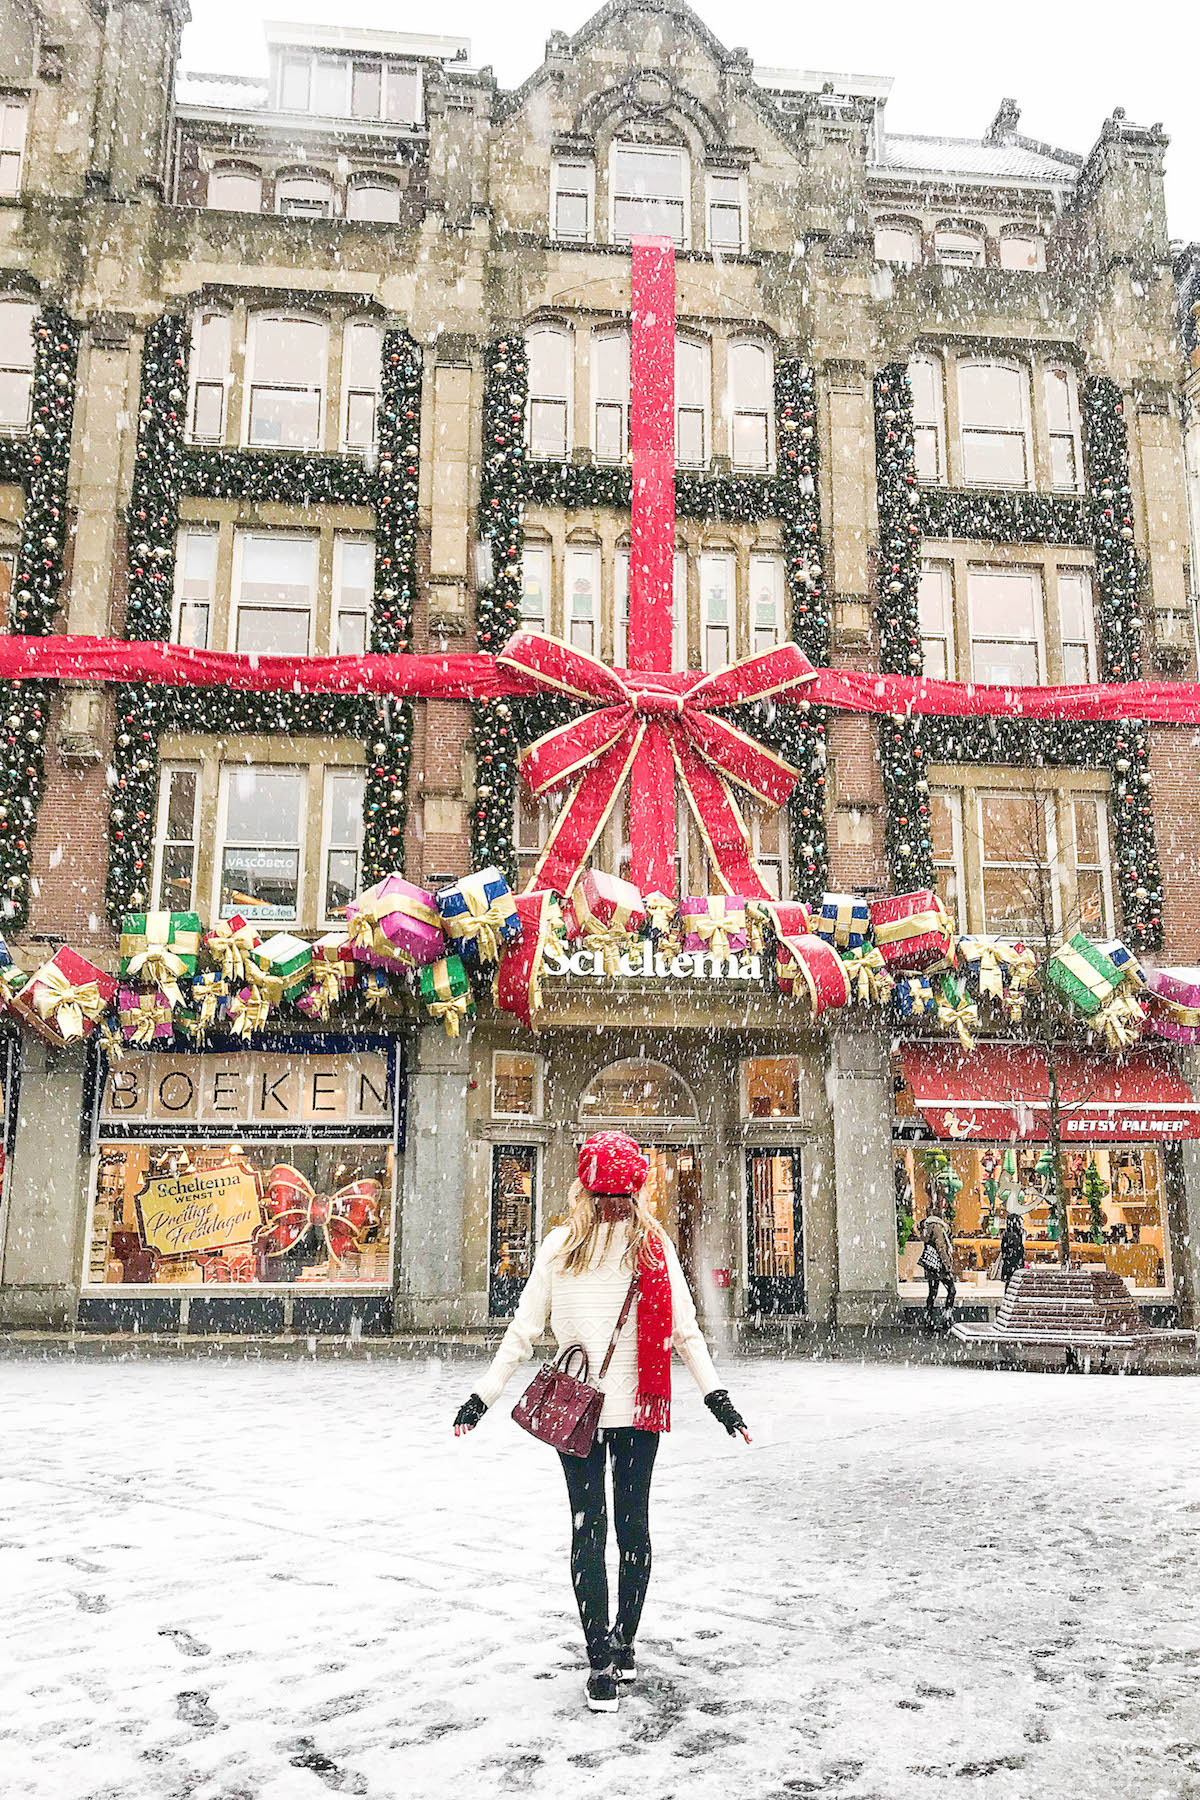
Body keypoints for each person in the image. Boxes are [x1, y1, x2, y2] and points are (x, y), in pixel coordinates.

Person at [453, 1129, 750, 1713]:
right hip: (601, 1414)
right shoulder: (584, 1248)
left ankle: (616, 1648)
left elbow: (683, 1332)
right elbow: (526, 1330)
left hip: (615, 1412)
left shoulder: (623, 1246)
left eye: (622, 1197)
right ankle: (605, 1656)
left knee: (613, 1530)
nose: (616, 1207)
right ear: (594, 1194)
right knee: (608, 1531)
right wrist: (481, 1396)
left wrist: (719, 1400)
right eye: (609, 1197)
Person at [919, 1206, 956, 1330]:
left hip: (931, 1265)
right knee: (952, 1290)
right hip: (939, 1266)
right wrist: (948, 1267)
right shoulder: (938, 1227)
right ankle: (947, 1317)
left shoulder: (927, 1227)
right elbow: (941, 1247)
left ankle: (928, 1318)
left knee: (932, 1292)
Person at [999, 1210, 1025, 1289]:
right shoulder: (1017, 1234)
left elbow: (1004, 1249)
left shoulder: (1007, 1234)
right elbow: (1018, 1251)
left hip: (1009, 1264)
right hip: (1015, 1264)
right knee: (1014, 1284)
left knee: (1009, 1284)